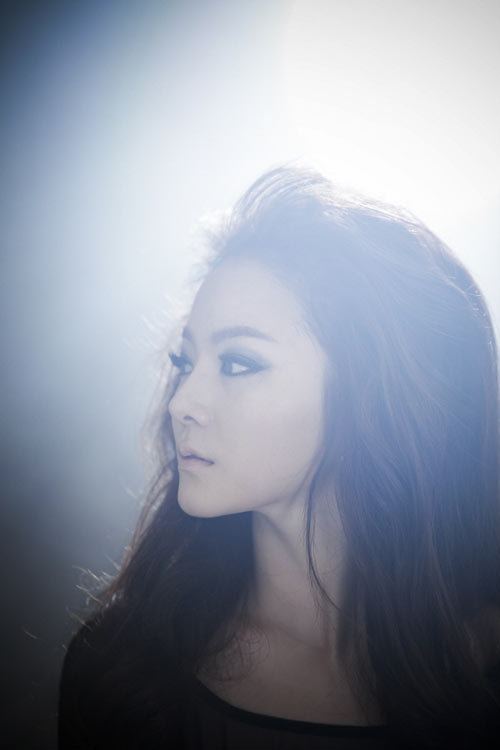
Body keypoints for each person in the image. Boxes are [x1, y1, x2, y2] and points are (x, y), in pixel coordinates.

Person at [58, 166, 500, 748]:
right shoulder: (122, 670)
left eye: (239, 363)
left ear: (371, 394)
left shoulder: (485, 673)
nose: (181, 402)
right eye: (184, 362)